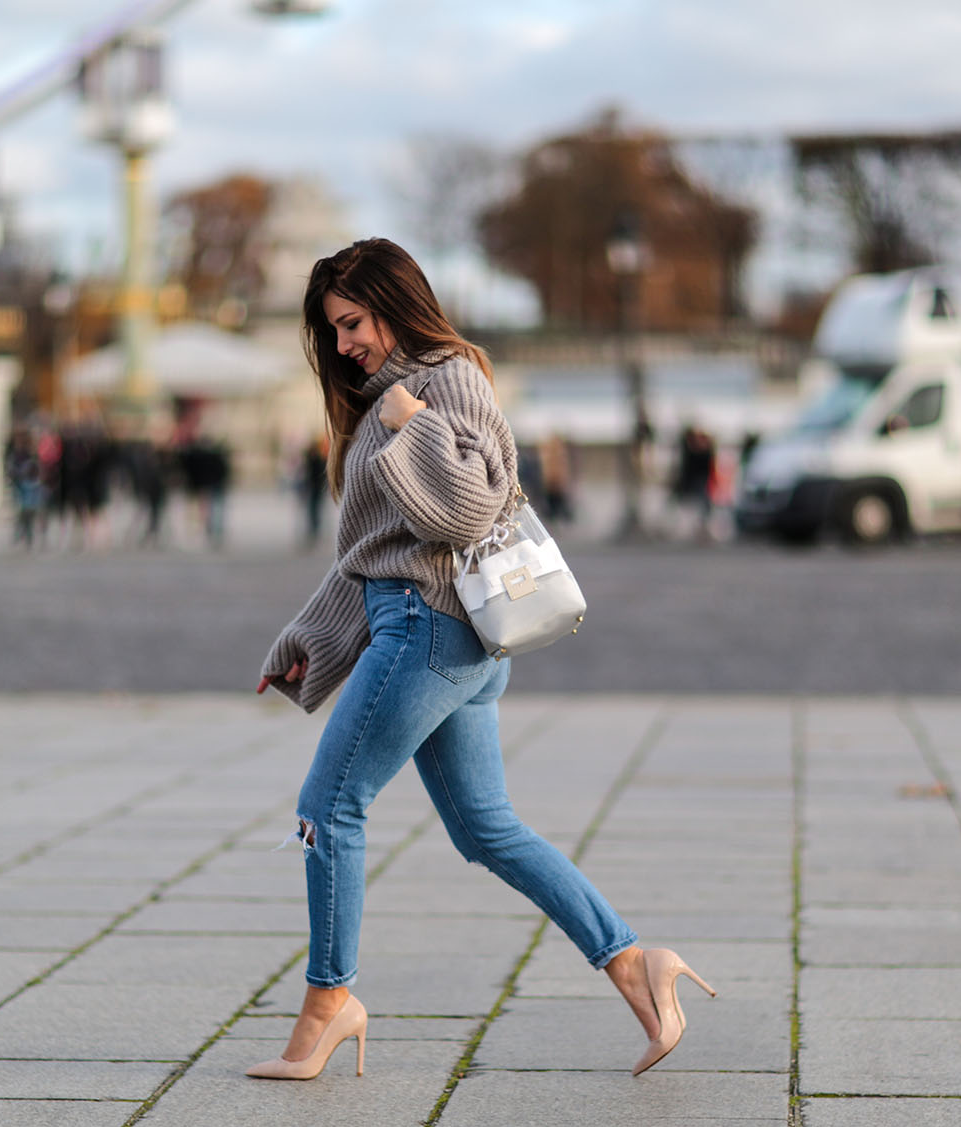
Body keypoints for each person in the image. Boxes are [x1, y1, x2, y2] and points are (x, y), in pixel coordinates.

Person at [253, 238, 714, 1082]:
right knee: (487, 831)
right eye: (334, 330)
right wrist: (310, 640)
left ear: (396, 303)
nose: (346, 342)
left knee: (329, 806)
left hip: (429, 632)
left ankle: (330, 1000)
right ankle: (636, 964)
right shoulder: (388, 391)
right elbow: (377, 548)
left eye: (353, 322)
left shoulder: (444, 381)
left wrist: (412, 424)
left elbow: (467, 510)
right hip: (429, 628)